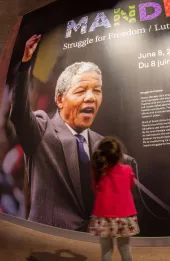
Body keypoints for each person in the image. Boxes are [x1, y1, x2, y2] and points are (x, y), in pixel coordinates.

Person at [10, 35, 135, 231]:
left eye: (97, 91)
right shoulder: (42, 129)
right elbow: (19, 113)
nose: (90, 98)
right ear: (60, 99)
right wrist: (26, 63)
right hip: (49, 246)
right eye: (81, 91)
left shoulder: (103, 145)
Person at [89, 137, 139, 261]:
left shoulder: (99, 172)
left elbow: (95, 190)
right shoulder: (127, 170)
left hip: (104, 216)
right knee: (125, 248)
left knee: (106, 249)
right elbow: (131, 185)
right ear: (119, 155)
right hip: (124, 216)